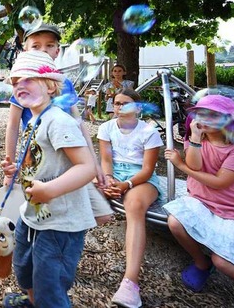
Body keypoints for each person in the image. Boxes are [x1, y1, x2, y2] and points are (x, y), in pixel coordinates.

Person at [0, 50, 96, 308]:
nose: (20, 84)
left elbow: (87, 167)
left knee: (50, 285)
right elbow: (43, 160)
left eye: (28, 78)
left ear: (51, 86)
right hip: (36, 213)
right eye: (15, 80)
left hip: (60, 223)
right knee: (25, 268)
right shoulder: (35, 120)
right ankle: (33, 301)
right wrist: (17, 170)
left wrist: (50, 190)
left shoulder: (59, 121)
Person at [4, 23, 113, 228]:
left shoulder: (64, 85)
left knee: (102, 214)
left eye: (49, 46)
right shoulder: (24, 84)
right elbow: (12, 125)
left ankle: (64, 242)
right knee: (43, 213)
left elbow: (79, 124)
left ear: (57, 51)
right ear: (25, 50)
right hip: (43, 161)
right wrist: (9, 169)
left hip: (71, 159)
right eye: (36, 46)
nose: (43, 51)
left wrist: (95, 163)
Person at [164, 94, 234, 305]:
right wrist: (193, 138)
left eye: (214, 115)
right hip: (202, 201)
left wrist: (180, 166)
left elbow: (219, 182)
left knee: (223, 262)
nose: (206, 119)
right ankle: (201, 263)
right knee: (175, 223)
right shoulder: (197, 140)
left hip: (233, 209)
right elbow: (195, 166)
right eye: (202, 114)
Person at [97, 89, 164, 308]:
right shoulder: (106, 128)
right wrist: (108, 179)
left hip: (141, 178)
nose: (119, 107)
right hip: (115, 172)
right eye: (116, 103)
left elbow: (147, 169)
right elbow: (106, 159)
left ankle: (130, 283)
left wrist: (127, 185)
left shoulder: (148, 132)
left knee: (134, 205)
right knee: (82, 189)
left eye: (125, 104)